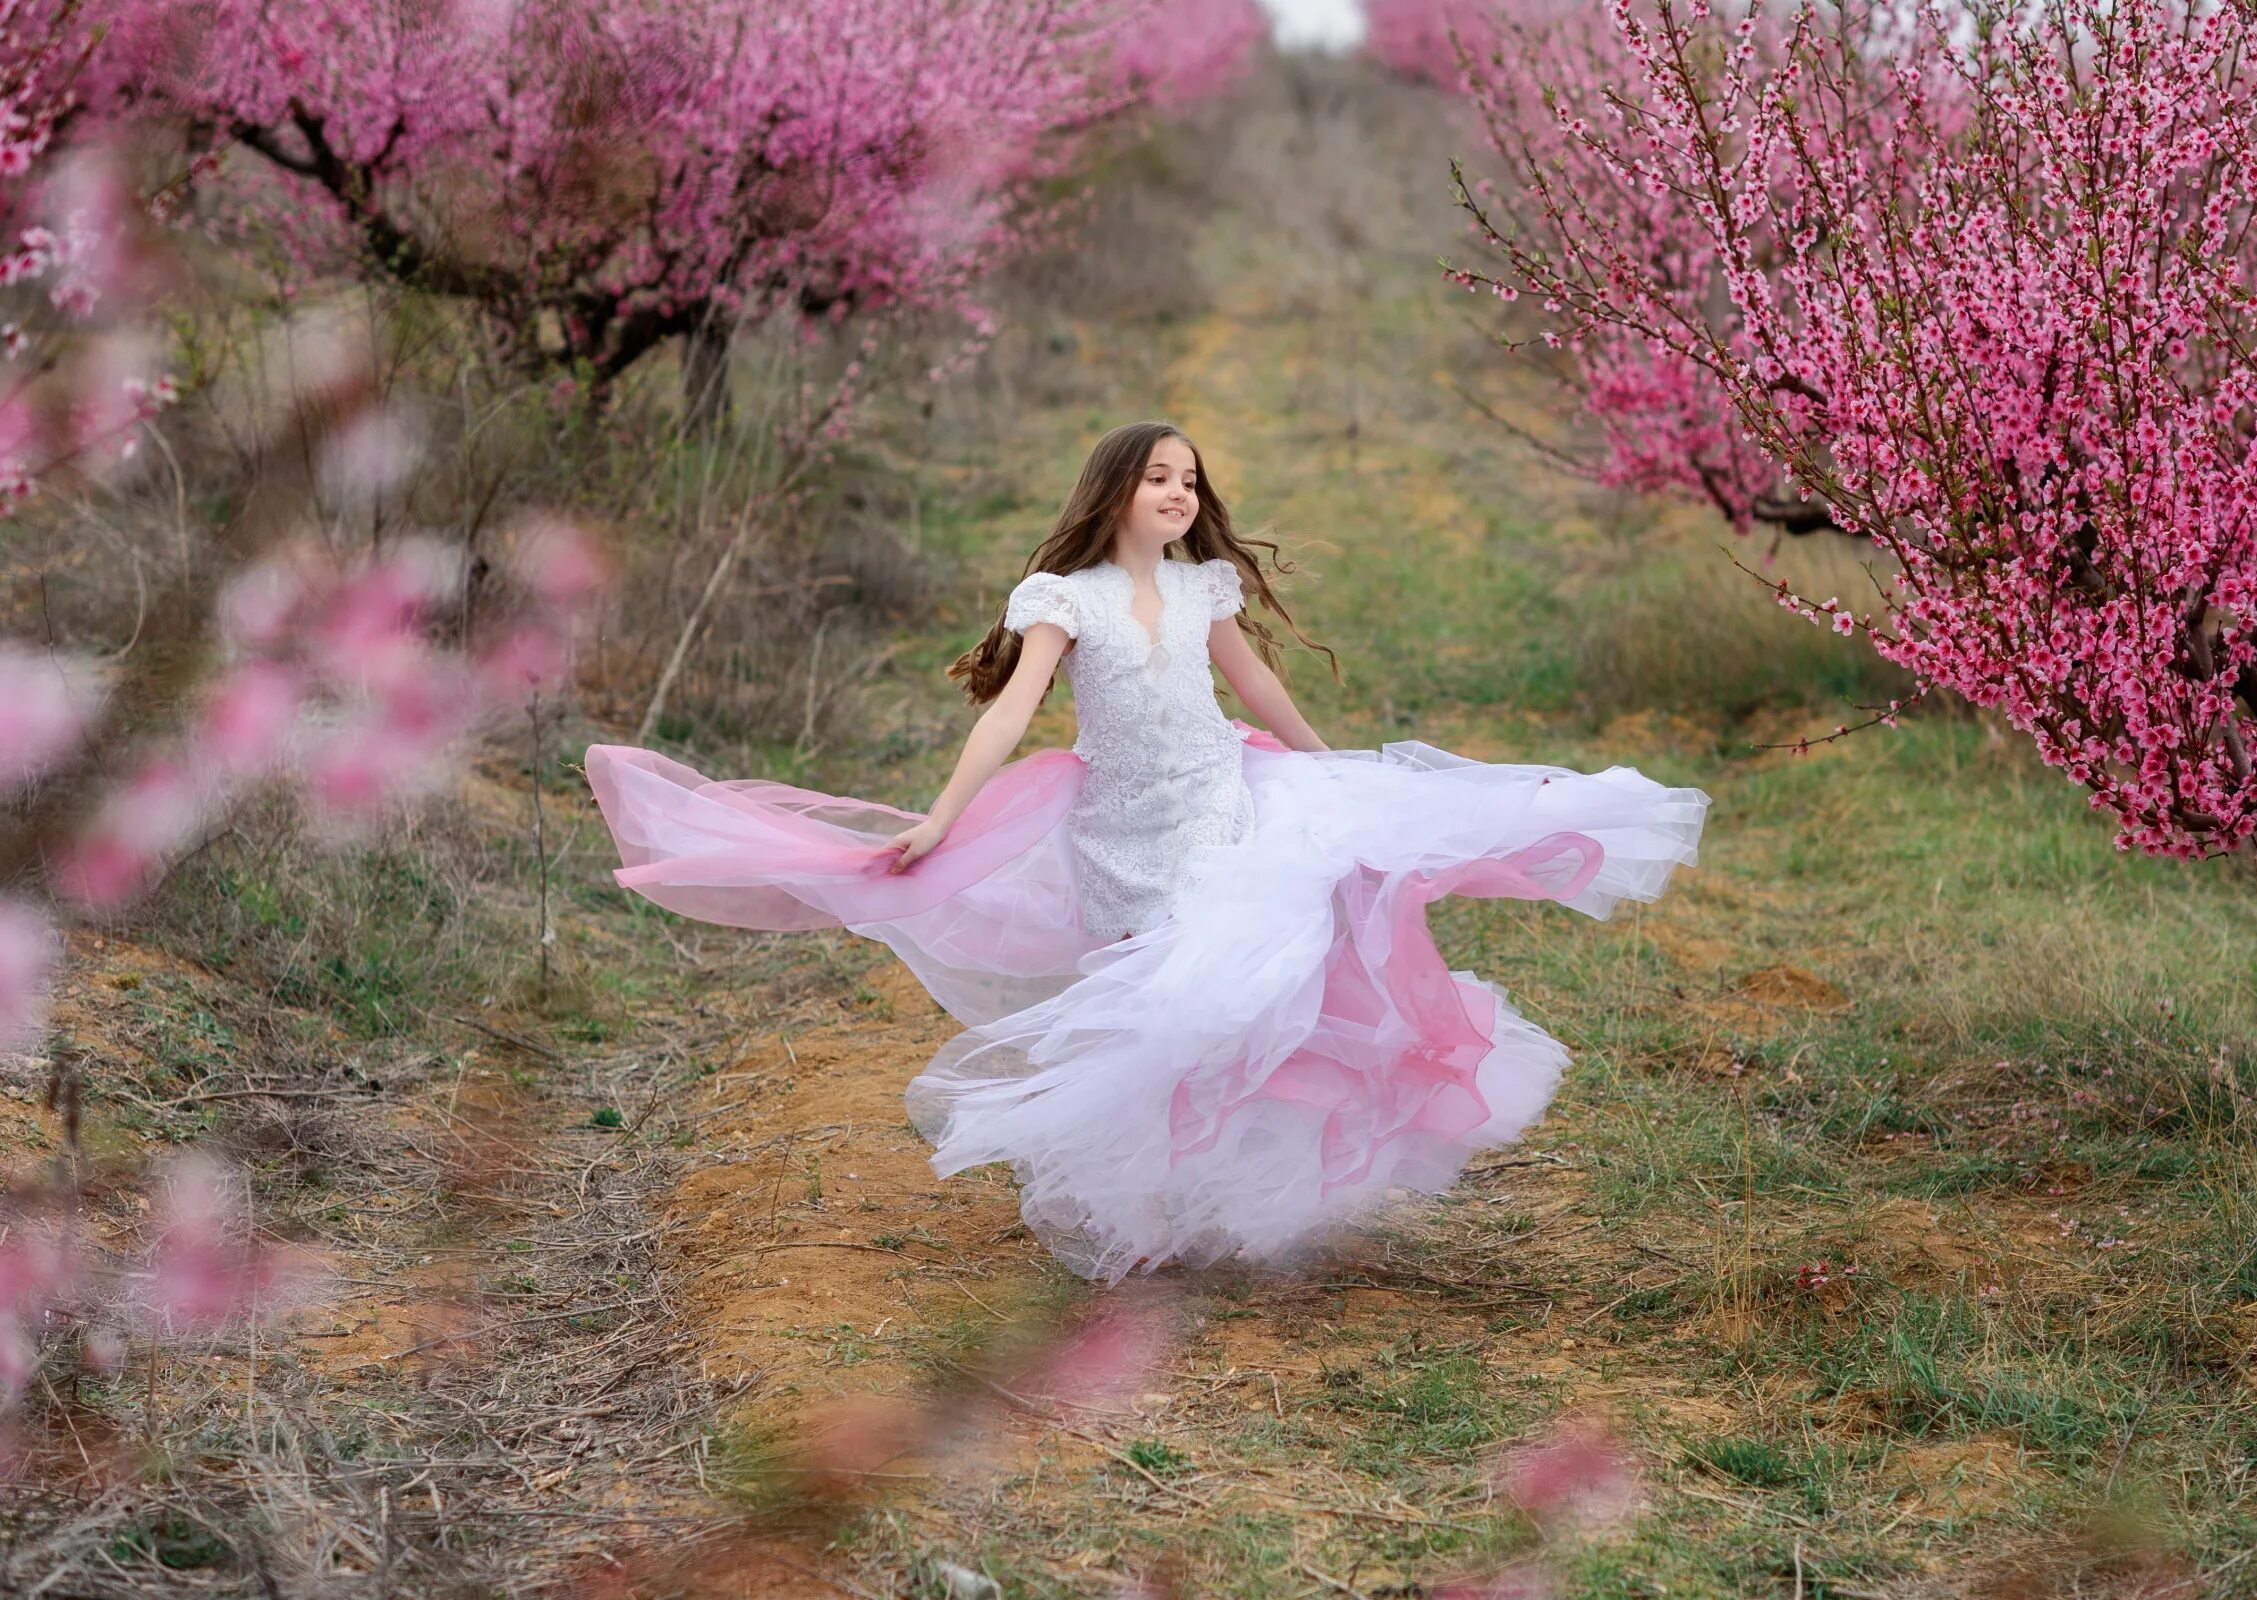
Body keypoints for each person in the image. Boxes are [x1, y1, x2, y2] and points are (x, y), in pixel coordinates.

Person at [584, 421, 1709, 1283]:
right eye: (1160, 475)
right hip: (1121, 833)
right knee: (1164, 1006)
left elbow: (1253, 683)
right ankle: (1143, 1195)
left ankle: (1213, 1187)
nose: (1180, 492)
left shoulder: (1202, 584)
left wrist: (1334, 770)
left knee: (1238, 984)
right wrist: (937, 814)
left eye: (1192, 479)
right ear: (1115, 490)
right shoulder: (1060, 597)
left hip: (1226, 801)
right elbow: (1011, 713)